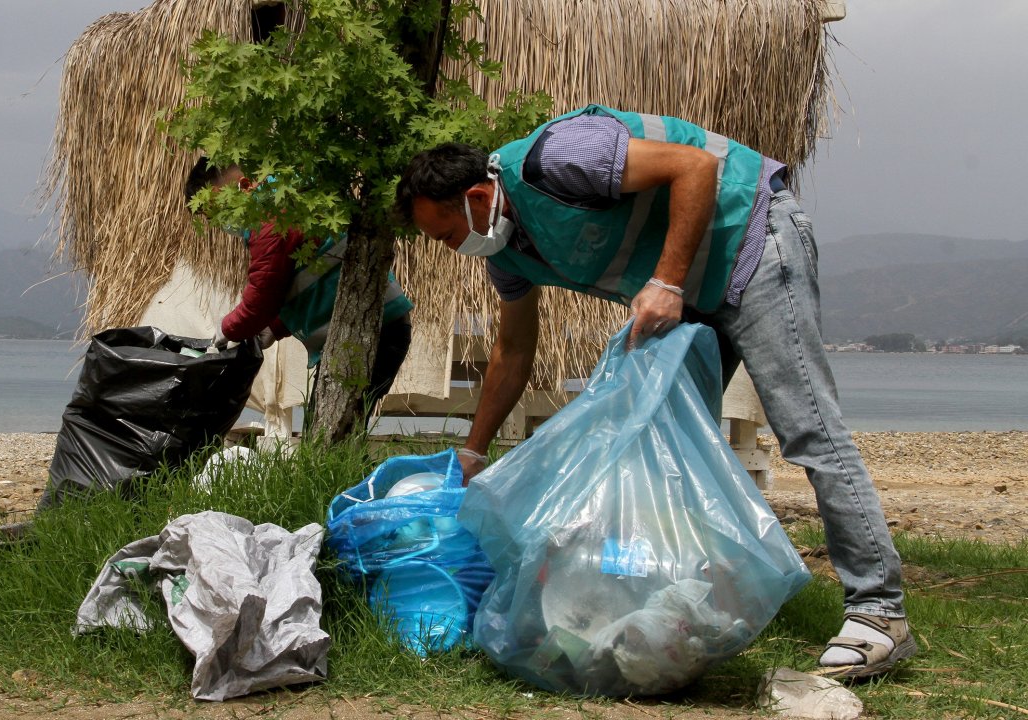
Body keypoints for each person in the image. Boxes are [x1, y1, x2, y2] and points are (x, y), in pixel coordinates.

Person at [394, 105, 913, 679]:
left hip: (752, 243)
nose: (449, 249)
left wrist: (665, 282)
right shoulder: (508, 257)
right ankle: (689, 595)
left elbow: (693, 167)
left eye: (445, 235)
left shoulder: (558, 157)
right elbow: (512, 352)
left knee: (807, 426)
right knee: (659, 444)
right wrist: (473, 451)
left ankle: (878, 612)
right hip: (692, 291)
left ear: (477, 198)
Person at [185, 158, 414, 422]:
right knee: (334, 426)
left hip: (370, 333)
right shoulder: (289, 196)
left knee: (332, 430)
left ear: (240, 185)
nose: (221, 223)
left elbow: (261, 300)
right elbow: (307, 283)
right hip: (378, 329)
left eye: (217, 211)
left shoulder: (267, 220)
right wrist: (276, 327)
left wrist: (226, 330)